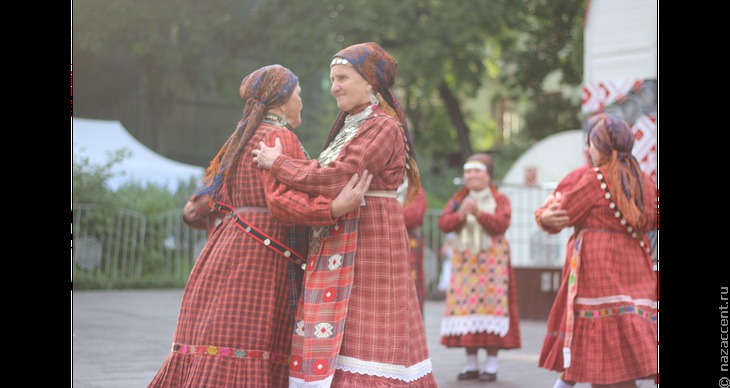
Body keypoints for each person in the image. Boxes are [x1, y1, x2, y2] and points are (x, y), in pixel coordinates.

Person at [148, 64, 372, 388]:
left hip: (228, 247)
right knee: (253, 341)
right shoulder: (279, 136)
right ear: (281, 101)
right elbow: (283, 201)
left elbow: (212, 198)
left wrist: (195, 208)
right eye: (299, 95)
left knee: (222, 336)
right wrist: (333, 207)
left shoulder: (241, 136)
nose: (301, 102)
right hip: (264, 254)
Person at [252, 42, 437, 387]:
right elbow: (328, 172)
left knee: (366, 330)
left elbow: (341, 174)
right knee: (341, 329)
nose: (334, 85)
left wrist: (278, 163)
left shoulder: (382, 126)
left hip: (370, 237)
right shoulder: (353, 124)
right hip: (341, 233)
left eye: (342, 78)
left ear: (370, 82)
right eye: (332, 78)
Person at [537, 113, 657, 388]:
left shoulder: (595, 179)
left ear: (600, 146)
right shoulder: (644, 181)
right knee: (621, 352)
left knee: (605, 356)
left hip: (599, 267)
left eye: (591, 143)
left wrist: (541, 215)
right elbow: (651, 219)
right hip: (635, 264)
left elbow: (564, 213)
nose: (587, 149)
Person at [437, 153, 521, 382]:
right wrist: (461, 215)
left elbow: (502, 224)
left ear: (488, 175)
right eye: (468, 171)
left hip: (493, 265)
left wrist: (479, 214)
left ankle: (491, 366)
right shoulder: (457, 200)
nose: (472, 175)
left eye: (477, 171)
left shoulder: (499, 199)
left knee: (492, 311)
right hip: (465, 264)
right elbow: (443, 223)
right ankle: (471, 364)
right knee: (467, 312)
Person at [399, 180, 428, 314]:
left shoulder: (414, 188)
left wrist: (385, 207)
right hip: (378, 243)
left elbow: (413, 216)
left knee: (410, 287)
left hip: (408, 243)